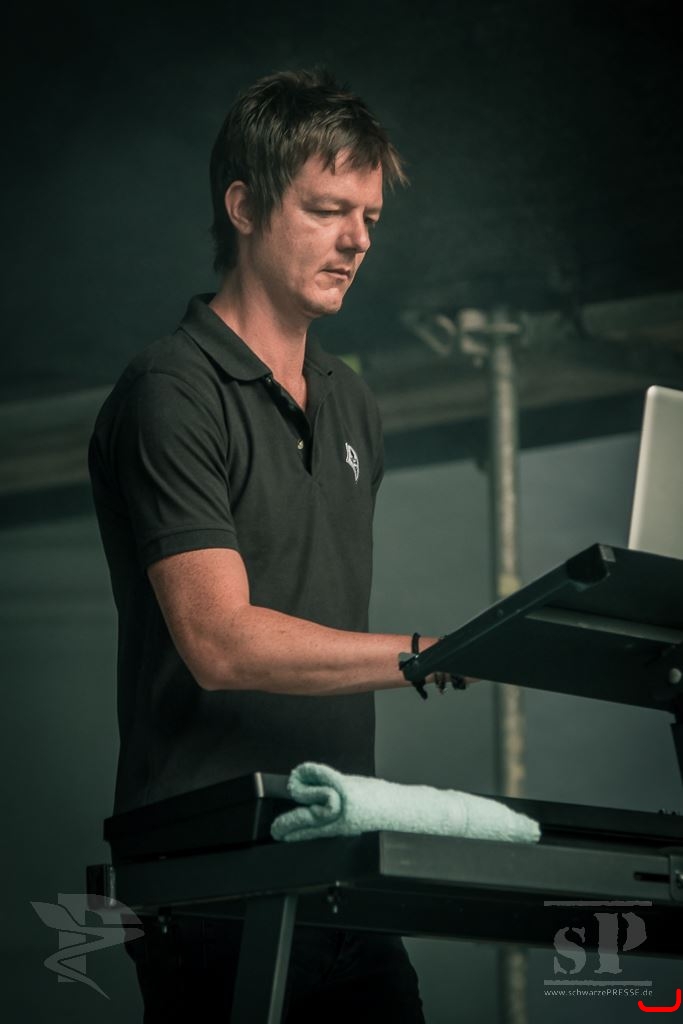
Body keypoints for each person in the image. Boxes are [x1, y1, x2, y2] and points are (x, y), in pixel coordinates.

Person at [89, 67, 461, 1023]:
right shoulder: (171, 391)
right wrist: (426, 656)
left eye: (369, 217)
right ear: (245, 206)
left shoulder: (353, 401)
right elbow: (219, 643)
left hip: (336, 842)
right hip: (208, 868)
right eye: (327, 210)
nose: (356, 240)